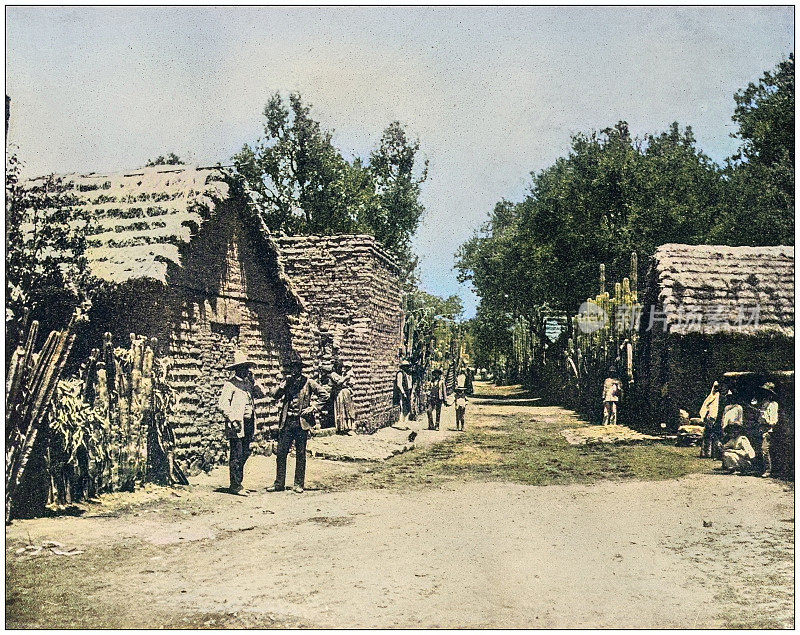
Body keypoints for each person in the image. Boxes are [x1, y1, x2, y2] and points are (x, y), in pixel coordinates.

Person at [267, 352, 327, 494]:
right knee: (281, 453)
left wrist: (313, 407)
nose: (294, 371)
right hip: (287, 422)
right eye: (292, 368)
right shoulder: (287, 382)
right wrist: (281, 386)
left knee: (300, 453)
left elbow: (324, 394)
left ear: (300, 369)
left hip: (301, 423)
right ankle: (279, 483)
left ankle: (298, 484)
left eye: (296, 368)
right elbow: (274, 395)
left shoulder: (308, 382)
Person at [217, 351, 267, 495]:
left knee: (245, 452)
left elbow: (262, 394)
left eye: (247, 368)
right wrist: (232, 418)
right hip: (237, 424)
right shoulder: (230, 385)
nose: (246, 371)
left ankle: (238, 482)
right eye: (243, 368)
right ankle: (235, 485)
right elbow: (222, 404)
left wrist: (255, 381)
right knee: (237, 454)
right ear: (237, 369)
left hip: (249, 423)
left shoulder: (248, 383)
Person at [756, 382, 779, 478]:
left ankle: (768, 470)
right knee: (761, 449)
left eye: (767, 393)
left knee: (765, 449)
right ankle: (762, 468)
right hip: (761, 428)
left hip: (768, 429)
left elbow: (773, 420)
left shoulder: (773, 405)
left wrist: (766, 420)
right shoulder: (763, 404)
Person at [330, 360, 356, 435]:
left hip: (346, 393)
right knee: (341, 410)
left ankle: (349, 427)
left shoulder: (344, 374)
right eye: (340, 367)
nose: (342, 369)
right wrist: (346, 378)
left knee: (348, 410)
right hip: (340, 393)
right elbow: (339, 383)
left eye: (342, 367)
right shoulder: (333, 374)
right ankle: (342, 428)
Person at [699, 381, 721, 458]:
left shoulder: (720, 397)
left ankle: (713, 453)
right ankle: (705, 453)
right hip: (710, 418)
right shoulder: (710, 397)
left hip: (716, 418)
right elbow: (704, 408)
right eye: (715, 387)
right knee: (707, 436)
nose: (716, 389)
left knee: (715, 436)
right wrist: (704, 417)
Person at [394, 360, 413, 425]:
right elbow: (399, 384)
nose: (407, 368)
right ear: (403, 367)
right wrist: (403, 392)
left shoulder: (407, 374)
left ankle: (405, 422)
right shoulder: (400, 373)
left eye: (407, 366)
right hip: (403, 392)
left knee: (408, 407)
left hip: (408, 391)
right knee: (403, 407)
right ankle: (401, 422)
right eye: (405, 366)